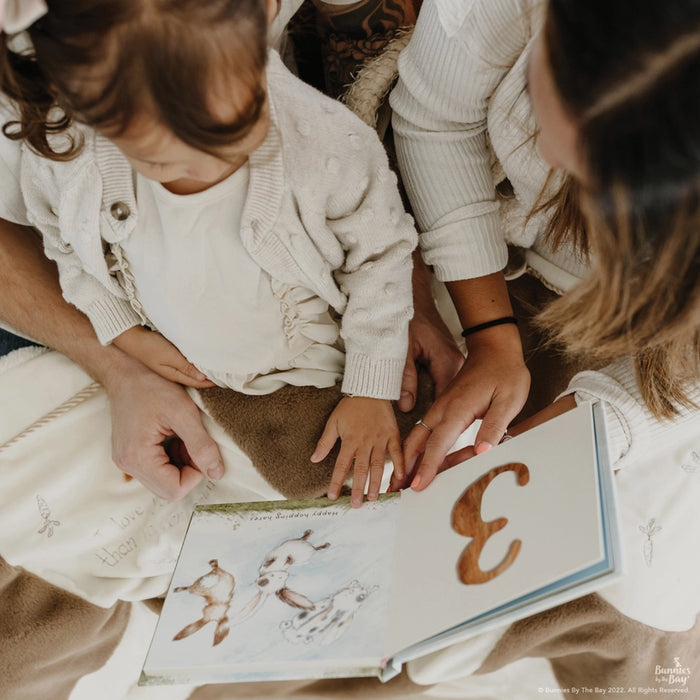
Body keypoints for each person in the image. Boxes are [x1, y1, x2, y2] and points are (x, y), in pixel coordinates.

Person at [0, 0, 417, 508]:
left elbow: (381, 257)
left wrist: (371, 385)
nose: (209, 168)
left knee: (359, 475)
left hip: (314, 358)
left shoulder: (324, 142)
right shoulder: (66, 151)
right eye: (163, 160)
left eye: (241, 128)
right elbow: (61, 243)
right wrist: (123, 334)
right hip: (179, 357)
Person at [389, 0, 700, 490]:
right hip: (494, 249)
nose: (547, 154)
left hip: (650, 328)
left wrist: (598, 427)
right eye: (537, 96)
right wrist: (490, 335)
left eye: (595, 171)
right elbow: (437, 119)